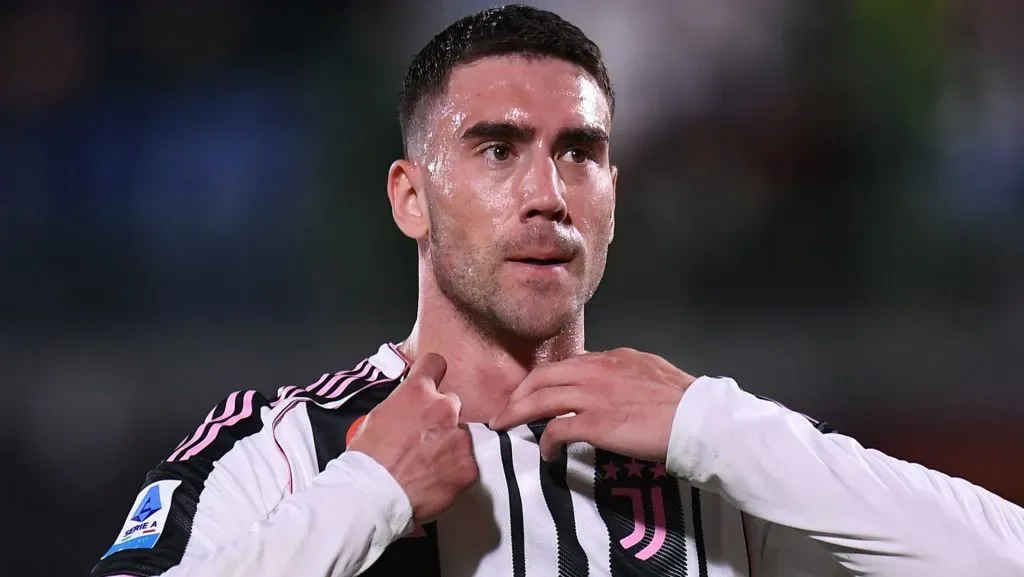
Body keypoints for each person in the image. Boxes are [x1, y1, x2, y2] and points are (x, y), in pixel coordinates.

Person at [92, 5, 1024, 577]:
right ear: (411, 198)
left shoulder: (708, 458)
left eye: (580, 153)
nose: (547, 194)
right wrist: (369, 492)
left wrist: (717, 425)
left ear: (614, 193)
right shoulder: (287, 449)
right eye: (497, 149)